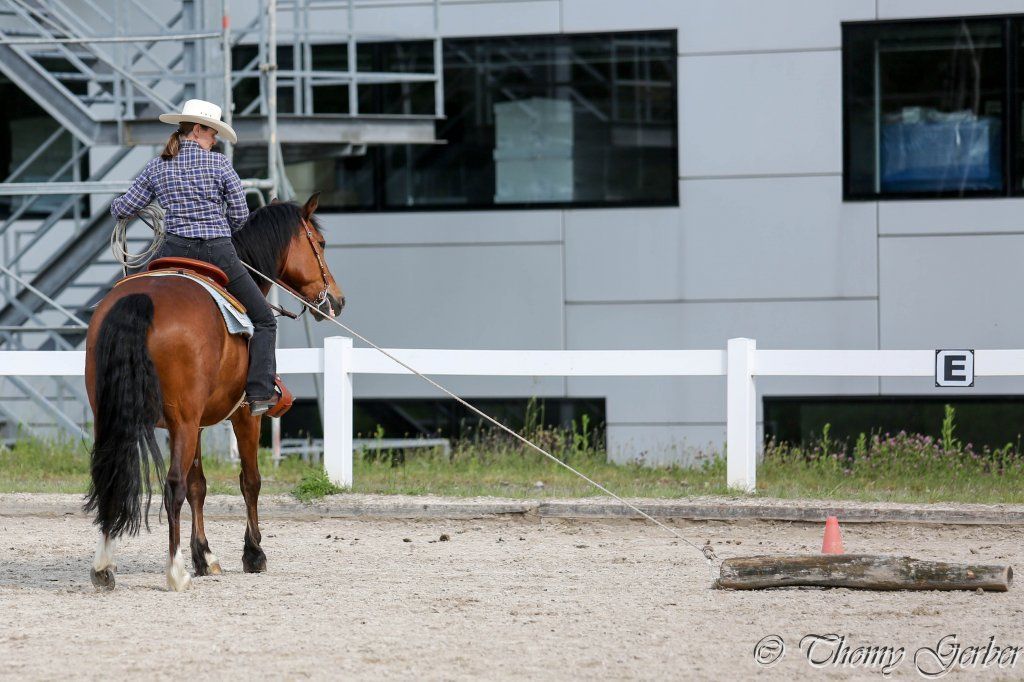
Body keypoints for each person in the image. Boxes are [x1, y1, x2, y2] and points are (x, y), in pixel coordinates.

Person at [110, 99, 278, 416]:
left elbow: (123, 209)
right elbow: (241, 216)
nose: (214, 139)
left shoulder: (156, 166)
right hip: (218, 252)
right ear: (198, 130)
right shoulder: (220, 165)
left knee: (135, 302)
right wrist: (217, 226)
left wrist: (120, 205)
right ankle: (258, 393)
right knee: (264, 320)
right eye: (212, 133)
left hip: (171, 249)